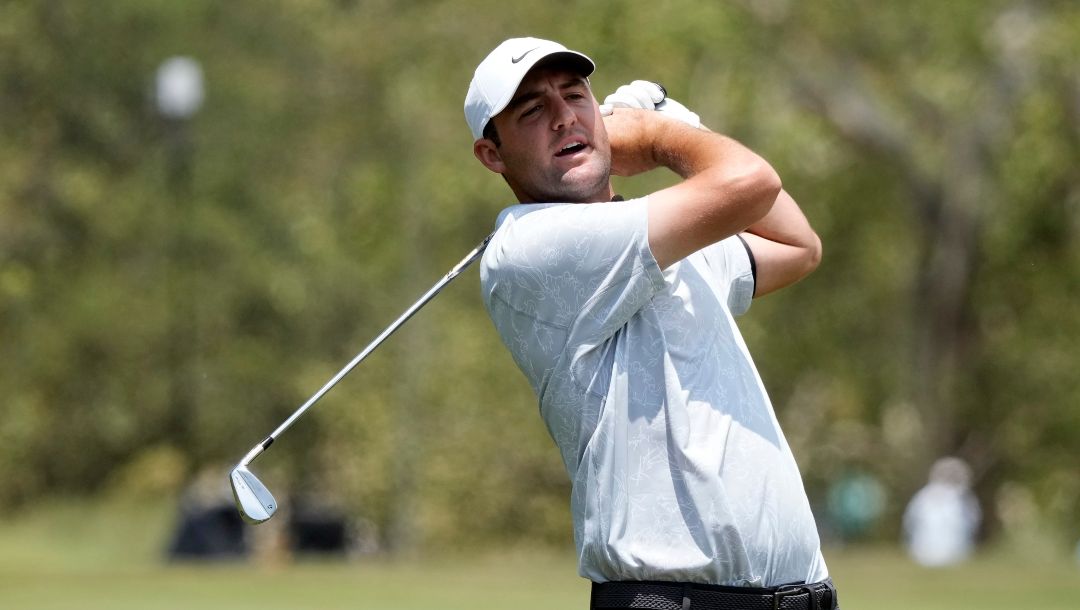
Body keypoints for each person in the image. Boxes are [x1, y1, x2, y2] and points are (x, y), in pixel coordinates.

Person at [465, 37, 835, 609]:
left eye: (575, 95)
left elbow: (798, 244)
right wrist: (662, 136)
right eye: (533, 111)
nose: (565, 117)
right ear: (493, 155)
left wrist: (677, 119)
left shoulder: (659, 242)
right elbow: (752, 182)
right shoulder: (529, 248)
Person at [902, 456, 981, 567]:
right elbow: (973, 523)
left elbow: (909, 523)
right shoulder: (962, 498)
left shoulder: (922, 496)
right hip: (954, 555)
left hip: (922, 555)